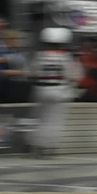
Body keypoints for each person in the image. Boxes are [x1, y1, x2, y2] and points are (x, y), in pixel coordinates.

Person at [27, 27, 81, 157]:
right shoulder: (66, 57)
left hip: (41, 90)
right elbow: (75, 75)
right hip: (60, 91)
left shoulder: (40, 56)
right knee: (54, 120)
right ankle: (47, 146)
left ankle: (35, 144)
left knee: (40, 118)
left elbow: (32, 72)